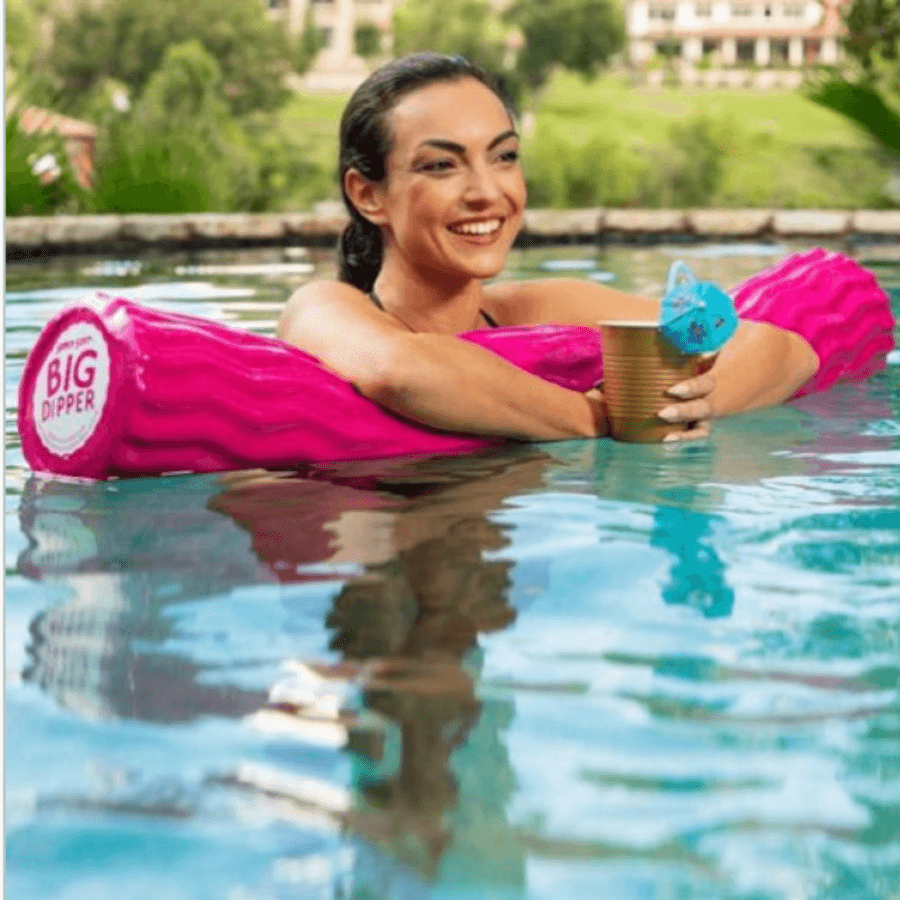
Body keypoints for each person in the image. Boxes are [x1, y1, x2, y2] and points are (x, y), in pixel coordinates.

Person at [278, 52, 821, 444]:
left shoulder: (546, 307)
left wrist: (692, 402)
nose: (487, 193)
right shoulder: (324, 308)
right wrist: (606, 419)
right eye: (441, 165)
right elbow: (400, 369)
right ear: (367, 195)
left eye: (504, 156)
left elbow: (785, 351)